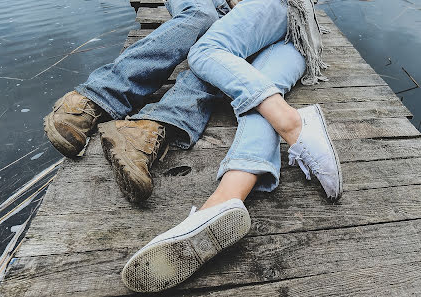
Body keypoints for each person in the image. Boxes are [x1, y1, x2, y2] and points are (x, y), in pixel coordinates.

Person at [43, 0, 342, 292]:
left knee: (249, 82)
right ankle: (96, 99)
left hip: (289, 20)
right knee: (202, 16)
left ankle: (222, 199)